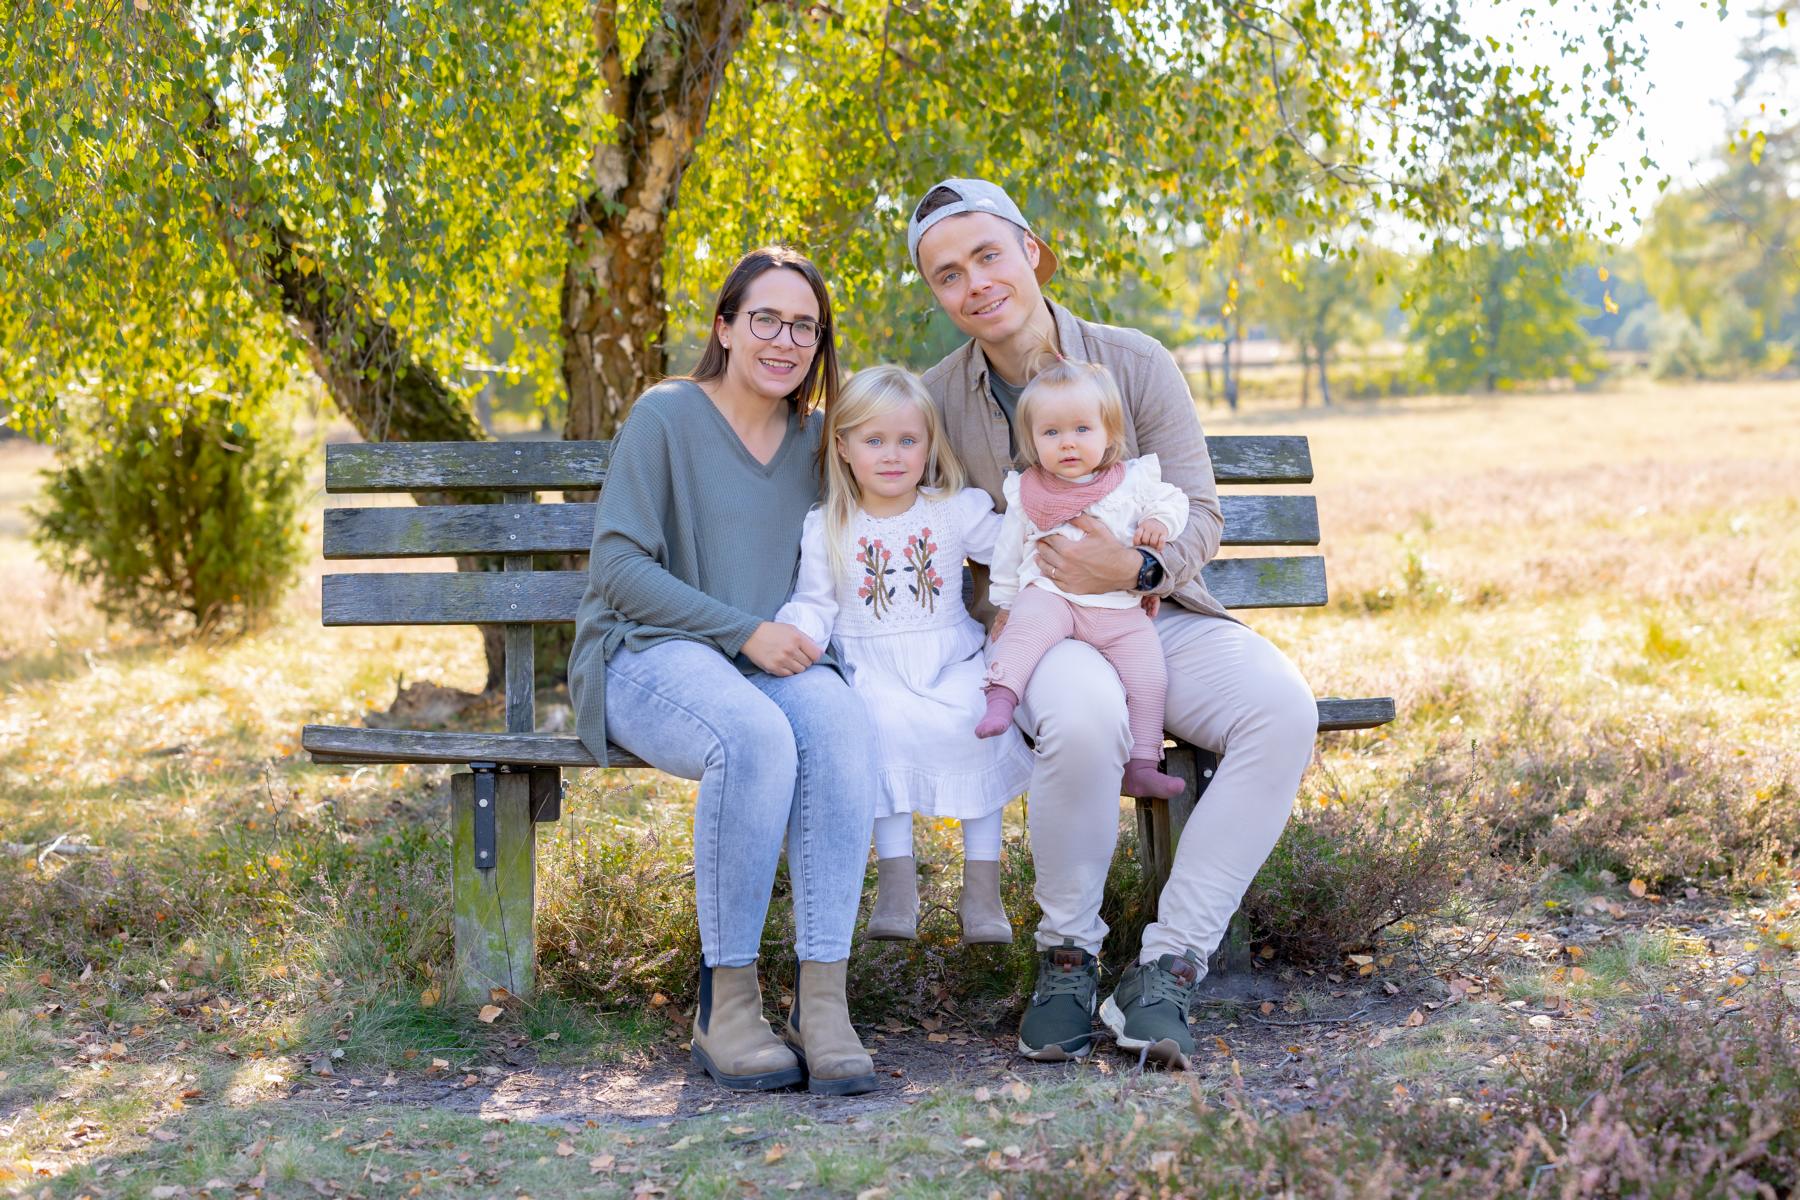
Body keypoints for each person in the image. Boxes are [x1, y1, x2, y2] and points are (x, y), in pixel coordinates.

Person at [907, 179, 1318, 1070]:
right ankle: (1068, 959)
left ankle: (1167, 967)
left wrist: (1133, 567)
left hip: (1155, 613)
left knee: (1281, 710)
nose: (974, 283)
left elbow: (1201, 515)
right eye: (947, 274)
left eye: (987, 255)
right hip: (1044, 632)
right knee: (1084, 714)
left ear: (1032, 253)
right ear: (937, 296)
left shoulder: (1135, 364)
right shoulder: (935, 402)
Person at [568, 246, 879, 1096]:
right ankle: (727, 1003)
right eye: (766, 320)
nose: (785, 340)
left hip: (765, 656)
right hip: (644, 651)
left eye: (804, 327)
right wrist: (745, 632)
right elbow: (619, 571)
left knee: (842, 727)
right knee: (751, 739)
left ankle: (822, 1004)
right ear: (726, 327)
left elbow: (902, 486)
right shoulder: (666, 415)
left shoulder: (822, 440)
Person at [774, 365, 1034, 946]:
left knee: (977, 721)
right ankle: (897, 885)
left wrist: (1043, 510)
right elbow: (814, 602)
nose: (892, 456)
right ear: (842, 448)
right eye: (874, 441)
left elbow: (1011, 546)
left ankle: (982, 887)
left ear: (928, 446)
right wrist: (796, 634)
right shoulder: (829, 525)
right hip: (872, 668)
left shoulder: (952, 510)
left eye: (907, 441)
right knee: (875, 726)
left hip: (951, 659)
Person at [976, 356, 1189, 803]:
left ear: (1109, 433)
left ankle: (1143, 764)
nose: (1067, 443)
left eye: (1081, 430)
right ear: (1033, 442)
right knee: (1025, 633)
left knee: (1149, 676)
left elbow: (1176, 501)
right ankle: (1000, 699)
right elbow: (1008, 552)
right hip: (1052, 596)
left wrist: (1159, 524)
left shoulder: (1131, 481)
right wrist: (1006, 603)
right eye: (1051, 433)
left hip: (1119, 608)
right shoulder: (1029, 490)